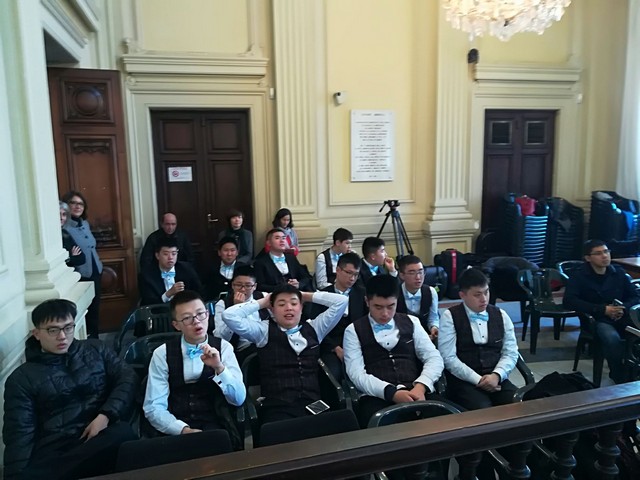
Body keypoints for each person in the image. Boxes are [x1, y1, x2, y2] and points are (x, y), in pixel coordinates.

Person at [3, 299, 137, 480]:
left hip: (101, 436)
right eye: (53, 330)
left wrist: (105, 415)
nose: (62, 336)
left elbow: (128, 377)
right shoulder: (22, 378)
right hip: (57, 450)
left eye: (68, 328)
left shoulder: (96, 350)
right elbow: (20, 434)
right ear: (36, 333)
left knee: (123, 434)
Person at [222, 284, 348, 424]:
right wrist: (263, 302)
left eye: (294, 304)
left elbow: (342, 301)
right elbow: (229, 316)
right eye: (281, 304)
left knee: (335, 426)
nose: (289, 308)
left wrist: (304, 295)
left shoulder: (315, 328)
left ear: (301, 308)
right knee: (285, 432)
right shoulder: (263, 331)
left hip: (313, 402)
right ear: (272, 309)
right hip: (277, 407)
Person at [143, 290, 245, 449]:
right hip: (174, 423)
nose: (196, 322)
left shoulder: (224, 348)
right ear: (176, 325)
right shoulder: (162, 353)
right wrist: (182, 430)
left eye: (200, 314)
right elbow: (154, 406)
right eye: (187, 318)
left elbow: (238, 399)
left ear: (208, 315)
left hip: (214, 421)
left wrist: (219, 367)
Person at [343, 274, 444, 428]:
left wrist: (421, 385)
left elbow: (434, 358)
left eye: (391, 306)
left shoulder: (412, 322)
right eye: (378, 307)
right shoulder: (353, 330)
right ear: (367, 302)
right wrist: (392, 393)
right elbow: (356, 374)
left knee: (453, 423)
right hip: (377, 397)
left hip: (417, 390)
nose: (385, 313)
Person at [438, 268, 519, 411]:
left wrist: (497, 375)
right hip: (464, 380)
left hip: (496, 376)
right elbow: (448, 357)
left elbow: (511, 352)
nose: (484, 299)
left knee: (517, 403)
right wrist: (478, 379)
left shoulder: (501, 315)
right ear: (462, 295)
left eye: (486, 292)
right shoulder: (450, 316)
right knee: (482, 410)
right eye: (477, 295)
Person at [563, 239, 640, 384]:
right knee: (612, 339)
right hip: (597, 318)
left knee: (636, 335)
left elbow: (635, 296)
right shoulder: (579, 275)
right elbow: (569, 301)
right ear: (588, 258)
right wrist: (603, 310)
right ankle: (619, 375)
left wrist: (623, 307)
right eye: (598, 253)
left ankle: (634, 371)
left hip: (623, 315)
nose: (604, 256)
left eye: (606, 251)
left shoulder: (618, 272)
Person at [310, 252, 367, 381]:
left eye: (356, 274)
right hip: (330, 346)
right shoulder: (323, 295)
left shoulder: (362, 294)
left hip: (358, 344)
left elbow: (366, 322)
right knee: (332, 374)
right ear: (338, 270)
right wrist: (335, 348)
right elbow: (315, 328)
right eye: (349, 273)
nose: (352, 278)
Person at [61, 191, 103, 339]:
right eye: (73, 203)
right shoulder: (64, 228)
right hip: (79, 275)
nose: (78, 206)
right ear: (66, 205)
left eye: (81, 204)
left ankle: (95, 340)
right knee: (83, 311)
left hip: (95, 271)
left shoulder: (85, 224)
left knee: (95, 309)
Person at [214, 266, 271, 365]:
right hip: (241, 349)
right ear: (232, 285)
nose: (243, 289)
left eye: (248, 286)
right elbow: (220, 336)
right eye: (238, 285)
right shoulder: (222, 304)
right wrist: (236, 308)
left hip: (266, 343)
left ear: (255, 286)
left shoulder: (263, 297)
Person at [139, 238, 202, 306]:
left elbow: (199, 292)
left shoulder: (187, 269)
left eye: (174, 254)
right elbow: (149, 302)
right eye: (166, 254)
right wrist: (168, 294)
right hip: (159, 310)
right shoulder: (147, 275)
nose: (170, 257)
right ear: (157, 255)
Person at [396, 255, 439, 341]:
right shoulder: (395, 293)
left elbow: (433, 317)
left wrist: (433, 327)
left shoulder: (431, 291)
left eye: (420, 272)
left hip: (425, 334)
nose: (418, 277)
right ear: (402, 275)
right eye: (412, 273)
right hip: (401, 336)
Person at [203, 236, 246, 302]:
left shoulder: (244, 268)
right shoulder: (211, 269)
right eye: (226, 250)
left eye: (232, 250)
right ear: (219, 252)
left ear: (237, 252)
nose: (229, 254)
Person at [59, 201, 85, 269]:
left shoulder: (65, 233)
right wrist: (71, 257)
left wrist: (70, 258)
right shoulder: (49, 236)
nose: (61, 218)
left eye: (64, 214)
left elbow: (82, 259)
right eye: (58, 214)